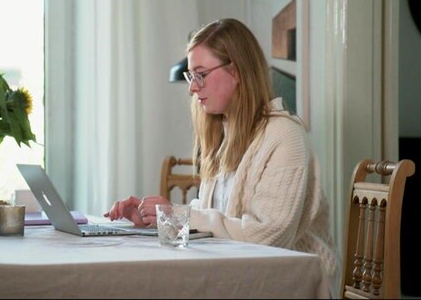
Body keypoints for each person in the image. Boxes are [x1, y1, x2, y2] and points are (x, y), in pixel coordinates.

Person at [104, 18, 340, 295]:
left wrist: (183, 215)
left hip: (288, 284)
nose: (193, 88)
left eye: (200, 74)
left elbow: (267, 238)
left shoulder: (285, 136)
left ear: (236, 71)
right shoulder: (223, 135)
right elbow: (221, 220)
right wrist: (162, 218)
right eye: (191, 76)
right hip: (238, 275)